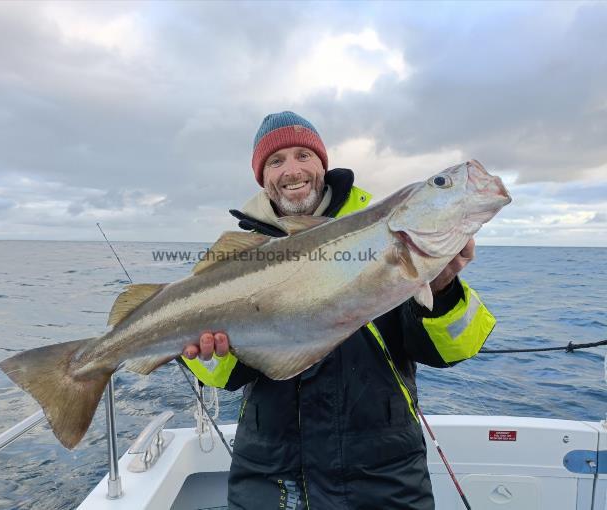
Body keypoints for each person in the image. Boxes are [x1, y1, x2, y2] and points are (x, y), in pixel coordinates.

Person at [181, 111, 493, 510]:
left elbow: (448, 351)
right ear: (263, 178)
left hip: (383, 476)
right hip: (269, 477)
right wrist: (215, 353)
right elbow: (225, 375)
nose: (292, 170)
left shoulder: (381, 234)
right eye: (276, 161)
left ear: (322, 165)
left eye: (303, 156)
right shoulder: (236, 257)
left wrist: (444, 288)